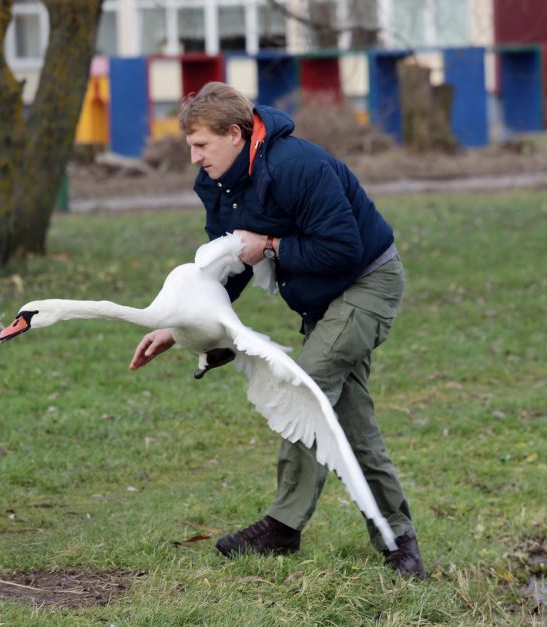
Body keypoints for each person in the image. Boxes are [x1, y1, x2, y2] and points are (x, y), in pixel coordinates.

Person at [129, 82, 425, 579]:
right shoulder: (216, 183)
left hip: (367, 281)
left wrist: (269, 245)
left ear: (236, 134)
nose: (195, 158)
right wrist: (177, 327)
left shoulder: (296, 166)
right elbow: (229, 267)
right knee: (348, 425)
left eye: (202, 145)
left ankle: (283, 526)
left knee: (302, 386)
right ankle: (399, 543)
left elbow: (343, 249)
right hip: (320, 299)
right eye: (190, 147)